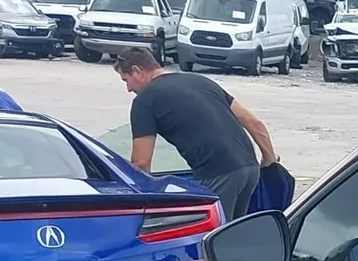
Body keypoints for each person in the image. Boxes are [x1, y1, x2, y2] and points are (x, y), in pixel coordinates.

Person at [114, 46, 278, 220]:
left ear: (137, 70)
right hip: (250, 168)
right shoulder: (200, 81)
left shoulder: (145, 100)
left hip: (218, 173)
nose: (128, 89)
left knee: (210, 233)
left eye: (126, 80)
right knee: (234, 232)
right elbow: (254, 123)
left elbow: (141, 163)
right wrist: (269, 160)